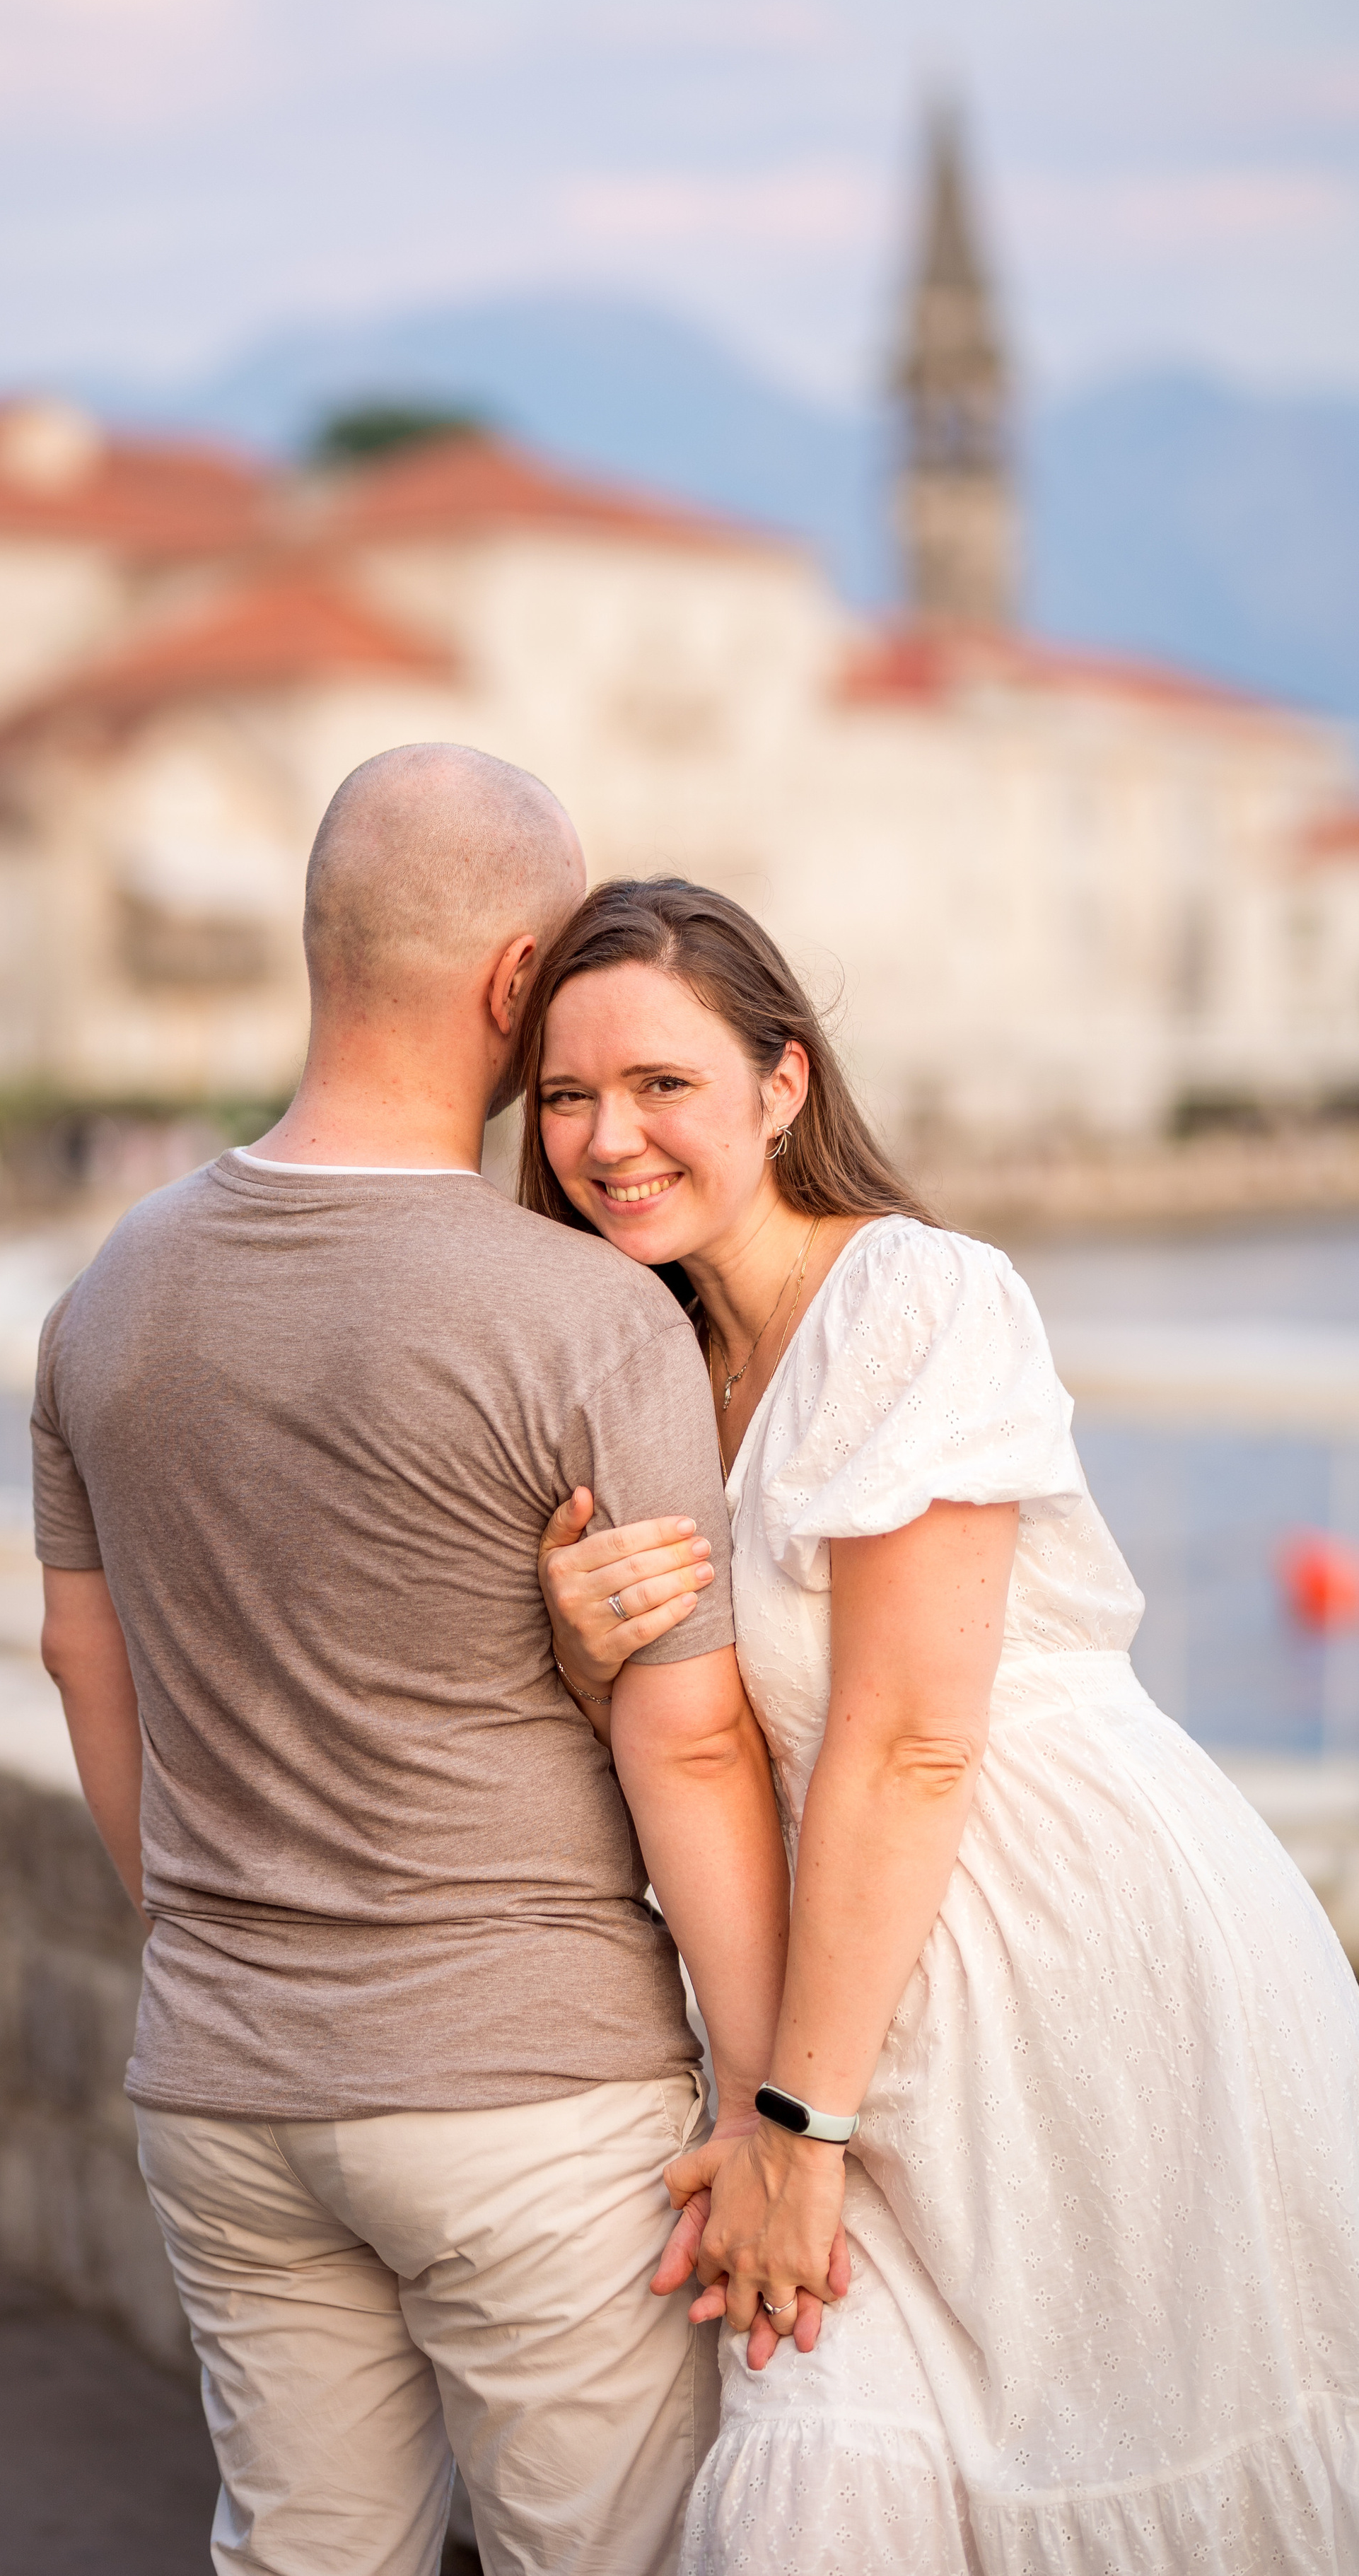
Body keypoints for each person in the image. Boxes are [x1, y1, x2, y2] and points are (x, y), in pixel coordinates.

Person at [526, 876, 1359, 2576]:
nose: (606, 1138)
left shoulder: (915, 1299)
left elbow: (909, 1738)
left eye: (660, 1085)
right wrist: (574, 1641)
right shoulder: (646, 1362)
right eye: (561, 1096)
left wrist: (790, 2130)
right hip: (835, 2005)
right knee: (818, 2469)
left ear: (782, 1086)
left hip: (1071, 1985)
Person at [31, 750, 788, 2576]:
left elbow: (81, 1661)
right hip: (529, 2093)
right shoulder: (590, 1317)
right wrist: (771, 2105)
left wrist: (218, 1940)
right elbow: (686, 1749)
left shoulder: (104, 1297)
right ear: (520, 989)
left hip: (222, 2084)